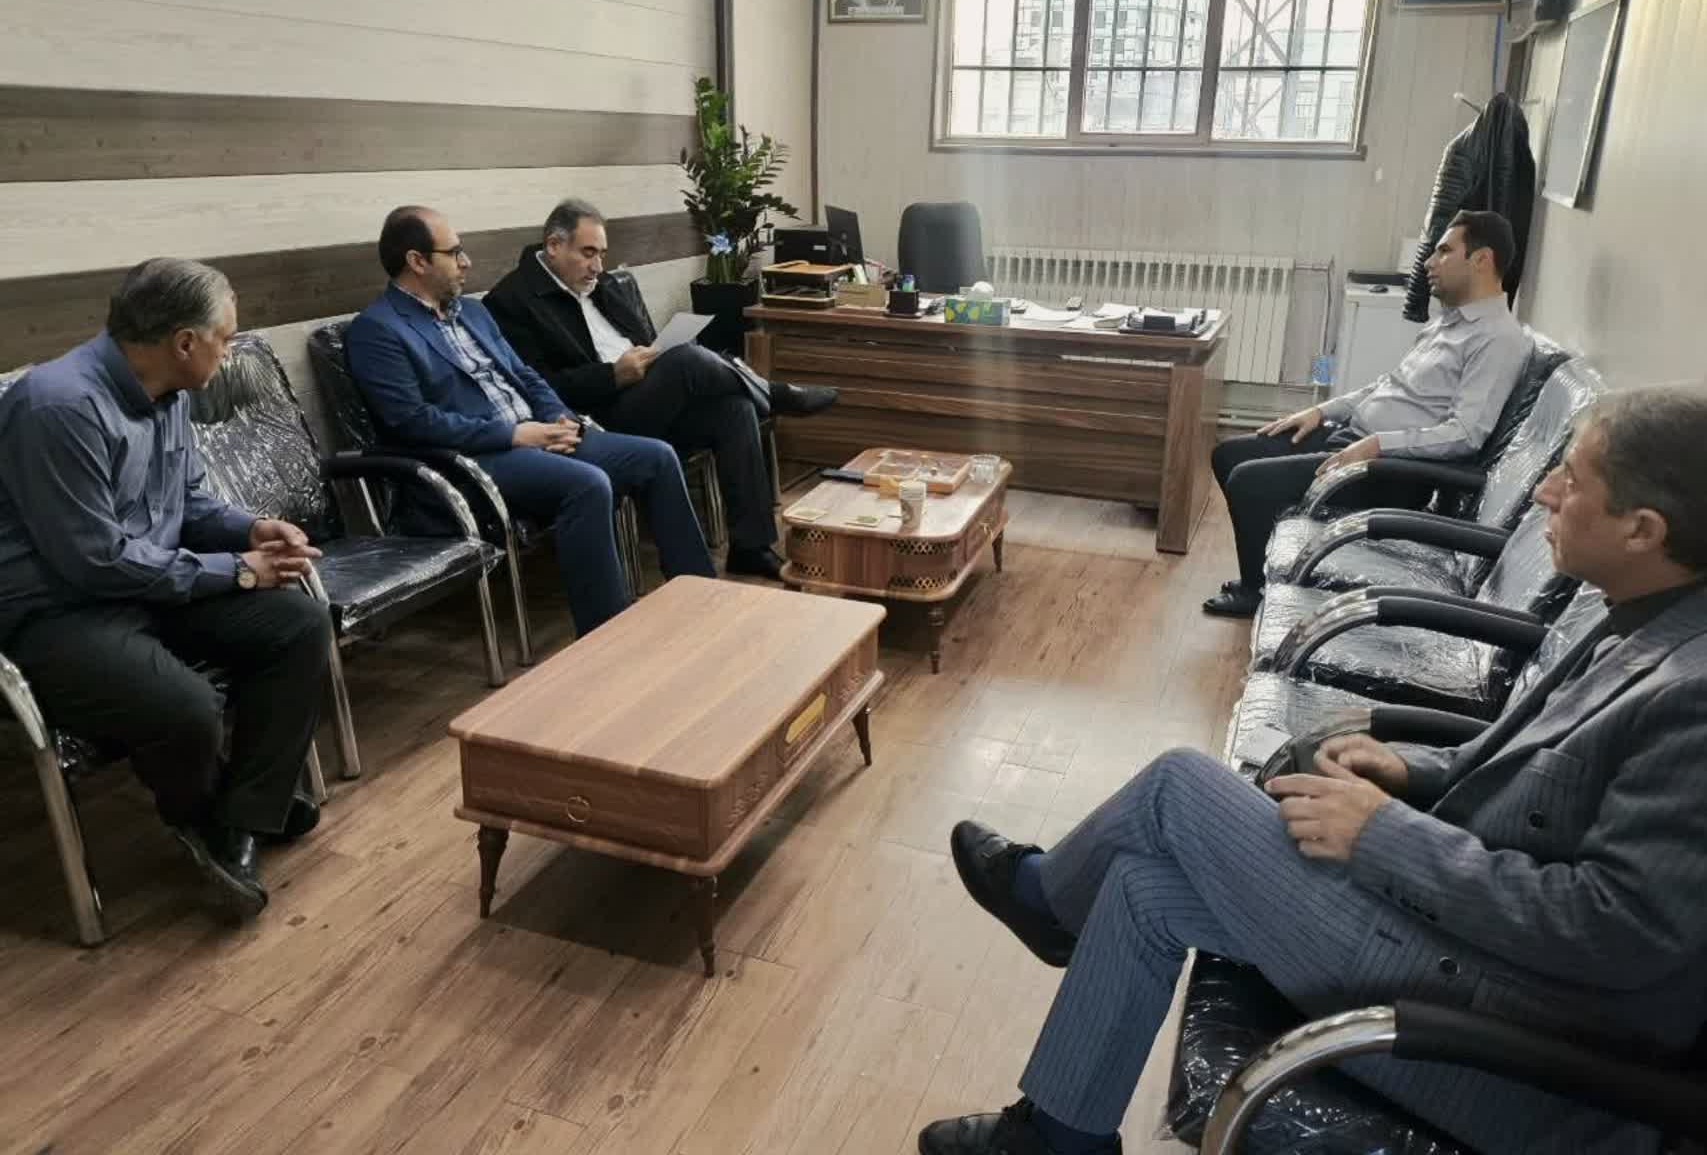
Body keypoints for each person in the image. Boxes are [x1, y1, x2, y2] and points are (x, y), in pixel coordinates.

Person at [923, 383, 1707, 1155]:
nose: (1543, 492)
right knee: (1138, 884)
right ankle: (1057, 1138)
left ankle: (1044, 899)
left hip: (1511, 1045)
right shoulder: (1642, 616)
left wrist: (1380, 834)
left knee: (1178, 788)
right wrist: (1407, 770)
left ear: (1641, 529)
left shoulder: (1693, 696)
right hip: (1470, 955)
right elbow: (1521, 772)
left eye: (1571, 480)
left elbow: (1615, 933)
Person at [0, 258, 333, 920]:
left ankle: (241, 819)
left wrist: (252, 528)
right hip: (55, 611)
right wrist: (239, 570)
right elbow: (93, 562)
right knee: (184, 708)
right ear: (184, 342)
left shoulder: (170, 395)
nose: (230, 352)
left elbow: (189, 502)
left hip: (144, 584)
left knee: (298, 625)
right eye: (225, 338)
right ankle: (204, 816)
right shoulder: (57, 406)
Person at [345, 206, 716, 635]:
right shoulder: (378, 330)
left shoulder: (472, 312)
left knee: (657, 457)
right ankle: (606, 634)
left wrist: (559, 418)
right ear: (417, 261)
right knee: (588, 483)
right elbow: (412, 421)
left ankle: (699, 595)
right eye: (454, 252)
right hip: (478, 456)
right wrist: (515, 435)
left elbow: (525, 376)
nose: (466, 262)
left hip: (538, 433)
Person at [482, 199, 836, 580]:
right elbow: (539, 389)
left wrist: (651, 354)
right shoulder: (510, 302)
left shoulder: (598, 283)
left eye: (601, 254)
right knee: (686, 360)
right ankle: (775, 394)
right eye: (588, 253)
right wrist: (612, 375)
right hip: (597, 417)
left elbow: (642, 337)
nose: (598, 266)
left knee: (734, 408)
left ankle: (751, 548)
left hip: (644, 395)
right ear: (553, 245)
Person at [1204, 210, 1533, 618]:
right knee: (1229, 454)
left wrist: (1378, 446)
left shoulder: (1498, 339)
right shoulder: (1447, 324)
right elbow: (1386, 386)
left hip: (1388, 471)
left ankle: (1257, 591)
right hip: (1354, 439)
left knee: (1249, 481)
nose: (1429, 263)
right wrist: (1321, 410)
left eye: (1444, 251)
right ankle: (1272, 572)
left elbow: (1466, 434)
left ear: (1482, 260)